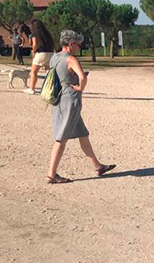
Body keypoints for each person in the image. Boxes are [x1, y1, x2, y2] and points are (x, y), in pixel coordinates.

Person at [46, 30, 115, 183]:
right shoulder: (71, 59)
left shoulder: (54, 57)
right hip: (70, 100)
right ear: (71, 43)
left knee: (83, 134)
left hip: (58, 99)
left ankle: (98, 166)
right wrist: (80, 87)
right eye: (78, 44)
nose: (79, 47)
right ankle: (51, 174)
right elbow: (82, 77)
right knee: (61, 138)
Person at [25, 19, 55, 94]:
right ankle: (51, 88)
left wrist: (33, 52)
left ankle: (32, 89)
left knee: (34, 71)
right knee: (49, 72)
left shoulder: (35, 34)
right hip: (50, 53)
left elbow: (35, 44)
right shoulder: (47, 34)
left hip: (41, 53)